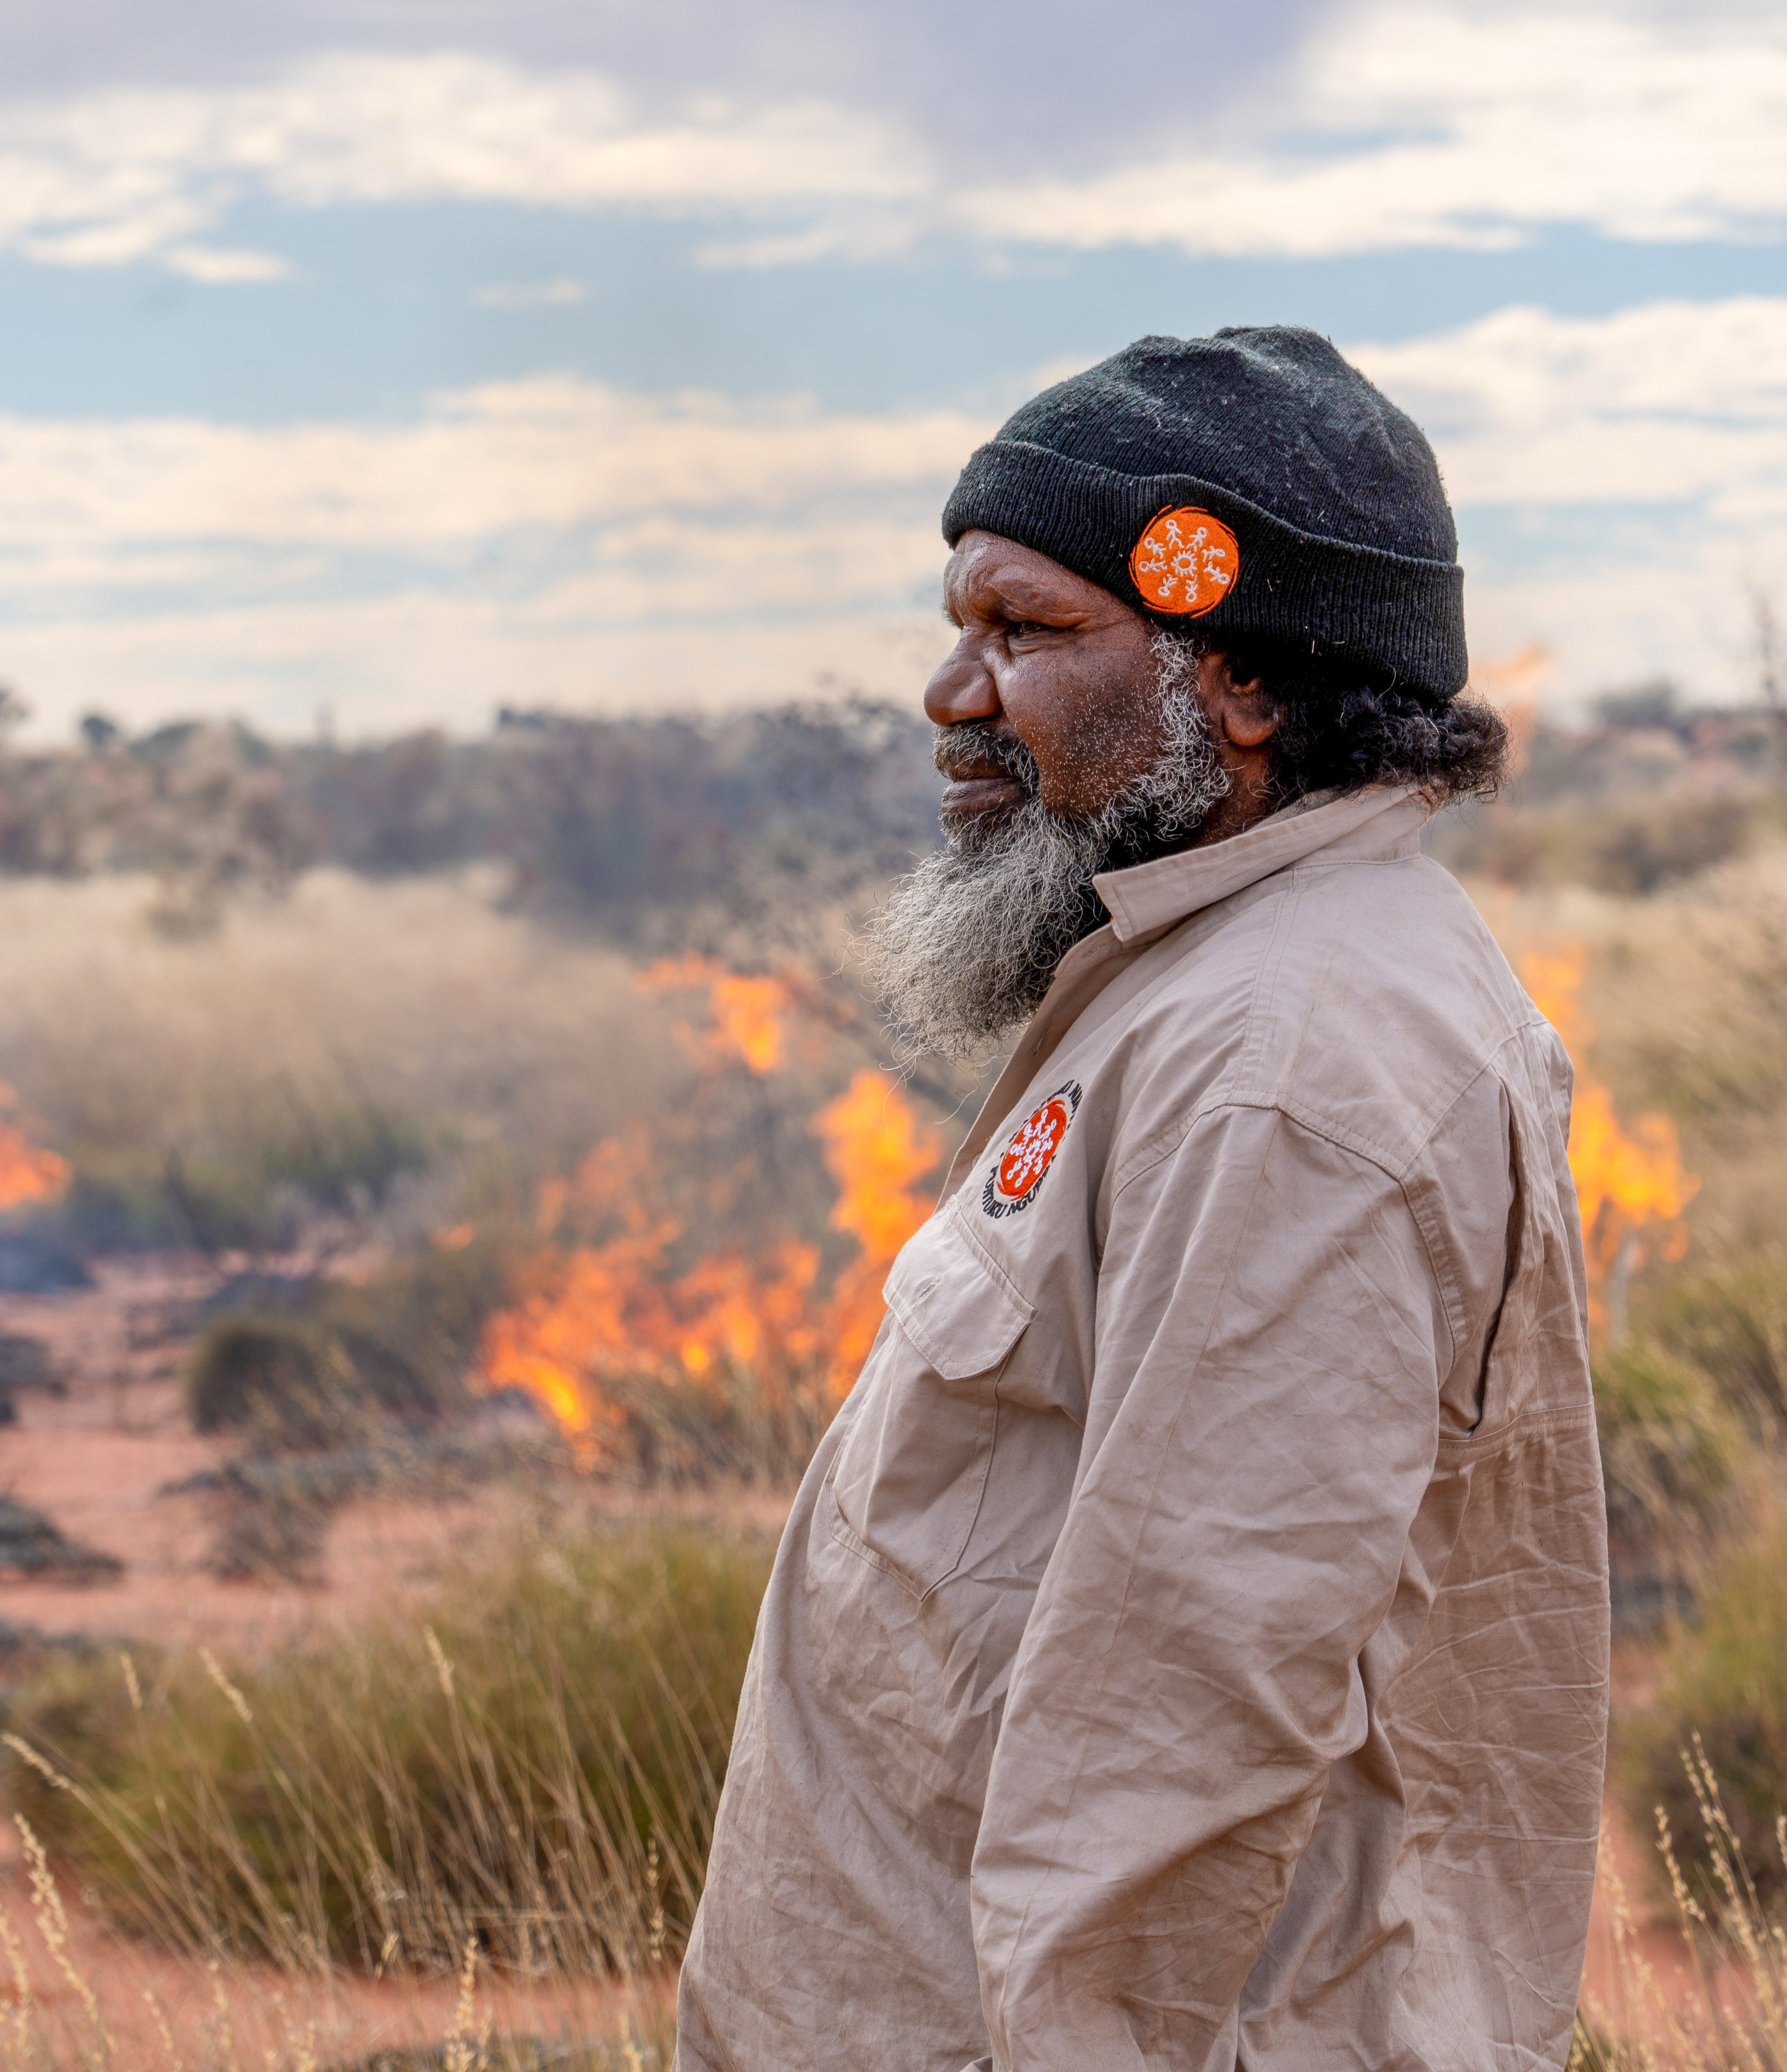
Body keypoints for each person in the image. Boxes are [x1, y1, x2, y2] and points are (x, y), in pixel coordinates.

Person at [676, 326, 1608, 2072]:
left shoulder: (1290, 1062)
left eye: (1026, 631)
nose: (954, 693)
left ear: (1242, 678)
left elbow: (1193, 1714)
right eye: (963, 628)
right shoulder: (1217, 989)